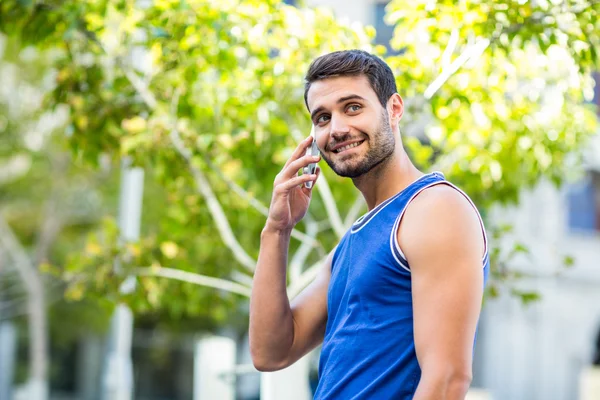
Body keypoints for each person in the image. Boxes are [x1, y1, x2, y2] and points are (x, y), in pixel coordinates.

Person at [249, 49, 489, 399]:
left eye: (353, 107)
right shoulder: (351, 244)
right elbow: (271, 352)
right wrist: (277, 230)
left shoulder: (435, 208)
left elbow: (447, 379)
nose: (338, 129)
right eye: (322, 118)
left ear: (393, 109)